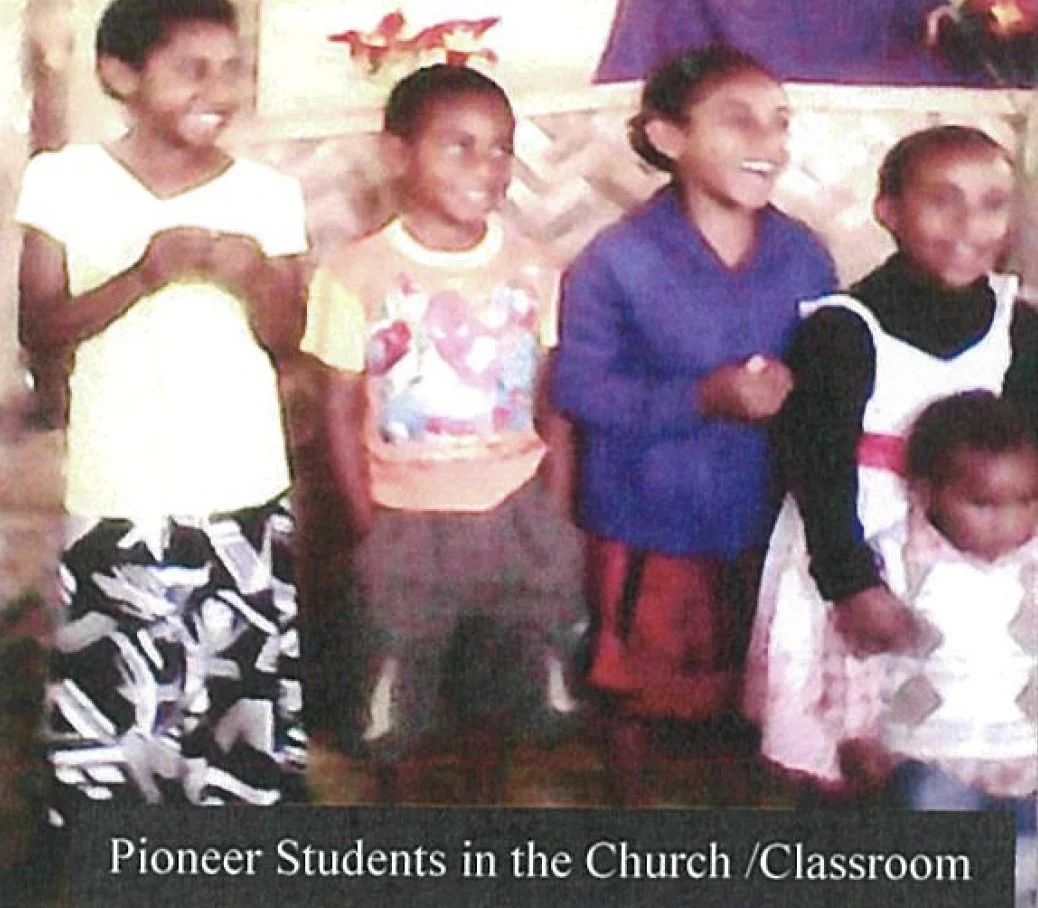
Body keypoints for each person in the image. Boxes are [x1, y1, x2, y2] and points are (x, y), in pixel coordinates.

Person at [17, 0, 309, 815]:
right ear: (119, 76)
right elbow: (40, 327)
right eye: (191, 70)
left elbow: (288, 337)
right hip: (120, 488)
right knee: (117, 696)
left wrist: (255, 278)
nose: (218, 91)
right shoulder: (66, 180)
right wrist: (144, 272)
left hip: (240, 486)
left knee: (232, 704)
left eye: (232, 70)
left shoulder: (266, 194)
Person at [552, 44, 837, 805]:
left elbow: (829, 374)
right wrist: (701, 398)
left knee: (754, 685)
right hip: (648, 513)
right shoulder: (617, 259)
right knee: (634, 689)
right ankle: (633, 824)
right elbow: (580, 387)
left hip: (761, 512)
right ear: (669, 138)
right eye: (739, 122)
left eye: (779, 123)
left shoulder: (803, 255)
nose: (769, 144)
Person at [301, 63, 584, 804]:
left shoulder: (535, 268)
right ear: (398, 155)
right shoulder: (354, 272)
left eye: (501, 149)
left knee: (507, 679)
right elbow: (337, 407)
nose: (486, 167)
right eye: (459, 146)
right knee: (395, 689)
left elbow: (553, 400)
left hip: (515, 512)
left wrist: (552, 512)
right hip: (403, 519)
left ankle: (485, 805)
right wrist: (368, 522)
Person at [746, 124, 1038, 792]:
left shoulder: (1017, 324)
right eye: (944, 200)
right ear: (889, 210)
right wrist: (851, 584)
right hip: (857, 549)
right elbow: (817, 467)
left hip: (984, 566)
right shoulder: (843, 329)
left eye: (992, 203)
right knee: (849, 744)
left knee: (966, 719)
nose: (970, 224)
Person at [871, 392, 1036, 907]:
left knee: (1026, 873)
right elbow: (854, 657)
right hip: (934, 756)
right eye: (983, 504)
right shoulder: (896, 561)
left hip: (1030, 759)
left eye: (1027, 501)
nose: (1008, 522)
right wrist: (855, 732)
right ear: (926, 493)